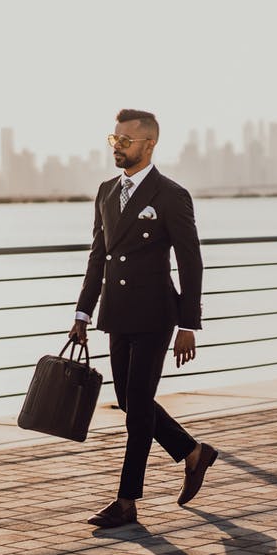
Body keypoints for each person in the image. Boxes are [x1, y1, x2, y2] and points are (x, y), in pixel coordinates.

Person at [70, 108, 218, 528]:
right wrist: (83, 311)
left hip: (156, 314)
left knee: (137, 410)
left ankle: (126, 502)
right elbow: (98, 256)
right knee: (131, 400)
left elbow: (191, 261)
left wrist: (189, 324)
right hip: (116, 314)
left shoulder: (171, 194)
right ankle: (193, 452)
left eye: (125, 141)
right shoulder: (104, 191)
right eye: (113, 139)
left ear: (149, 144)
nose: (117, 147)